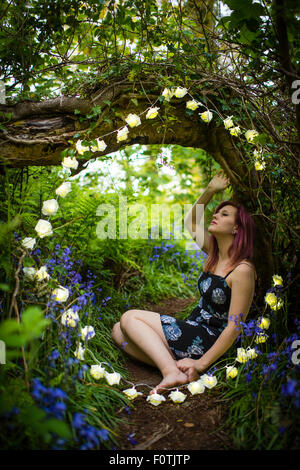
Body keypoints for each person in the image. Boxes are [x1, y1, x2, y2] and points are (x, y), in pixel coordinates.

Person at [111, 170, 257, 393]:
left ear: (237, 228)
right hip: (192, 331)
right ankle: (178, 368)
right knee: (118, 331)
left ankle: (172, 372)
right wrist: (210, 190)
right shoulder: (214, 254)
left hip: (210, 341)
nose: (215, 216)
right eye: (217, 213)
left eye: (224, 214)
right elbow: (190, 221)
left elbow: (234, 327)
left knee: (129, 318)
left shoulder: (242, 270)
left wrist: (202, 363)